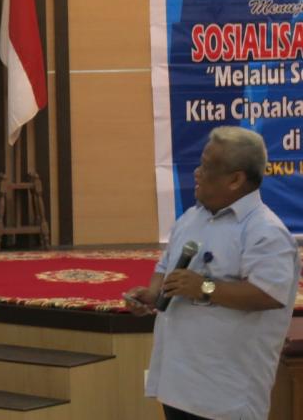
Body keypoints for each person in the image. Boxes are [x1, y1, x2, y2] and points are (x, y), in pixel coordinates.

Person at [123, 126, 300, 420]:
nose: (196, 173)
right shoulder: (192, 218)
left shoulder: (265, 231)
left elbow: (269, 294)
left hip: (225, 394)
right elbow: (166, 267)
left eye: (206, 167)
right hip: (178, 384)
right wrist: (152, 294)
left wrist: (205, 287)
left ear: (235, 179)